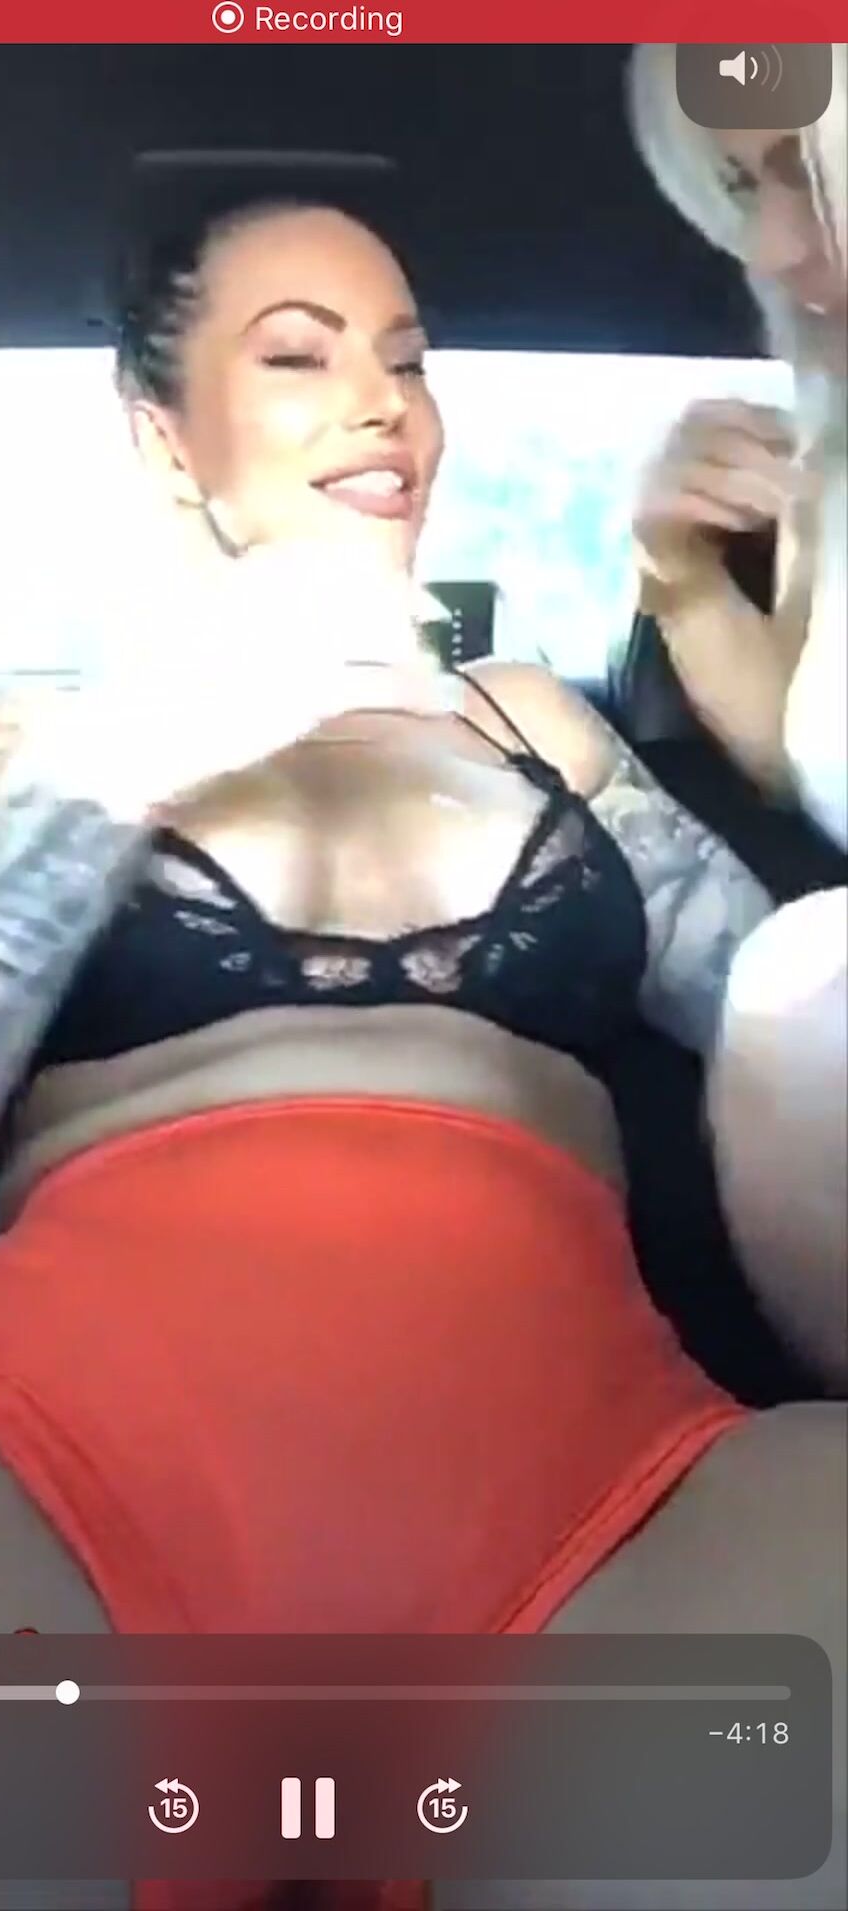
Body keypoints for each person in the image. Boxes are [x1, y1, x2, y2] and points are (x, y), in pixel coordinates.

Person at [0, 194, 843, 1911]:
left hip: (611, 1509)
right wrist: (145, 751)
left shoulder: (533, 719)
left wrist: (741, 658)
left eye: (410, 363)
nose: (382, 407)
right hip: (25, 1476)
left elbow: (795, 1022)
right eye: (297, 356)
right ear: (161, 435)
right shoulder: (8, 736)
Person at [628, 42, 848, 1393]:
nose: (766, 246)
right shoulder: (831, 456)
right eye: (735, 189)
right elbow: (803, 751)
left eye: (804, 173)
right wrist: (677, 569)